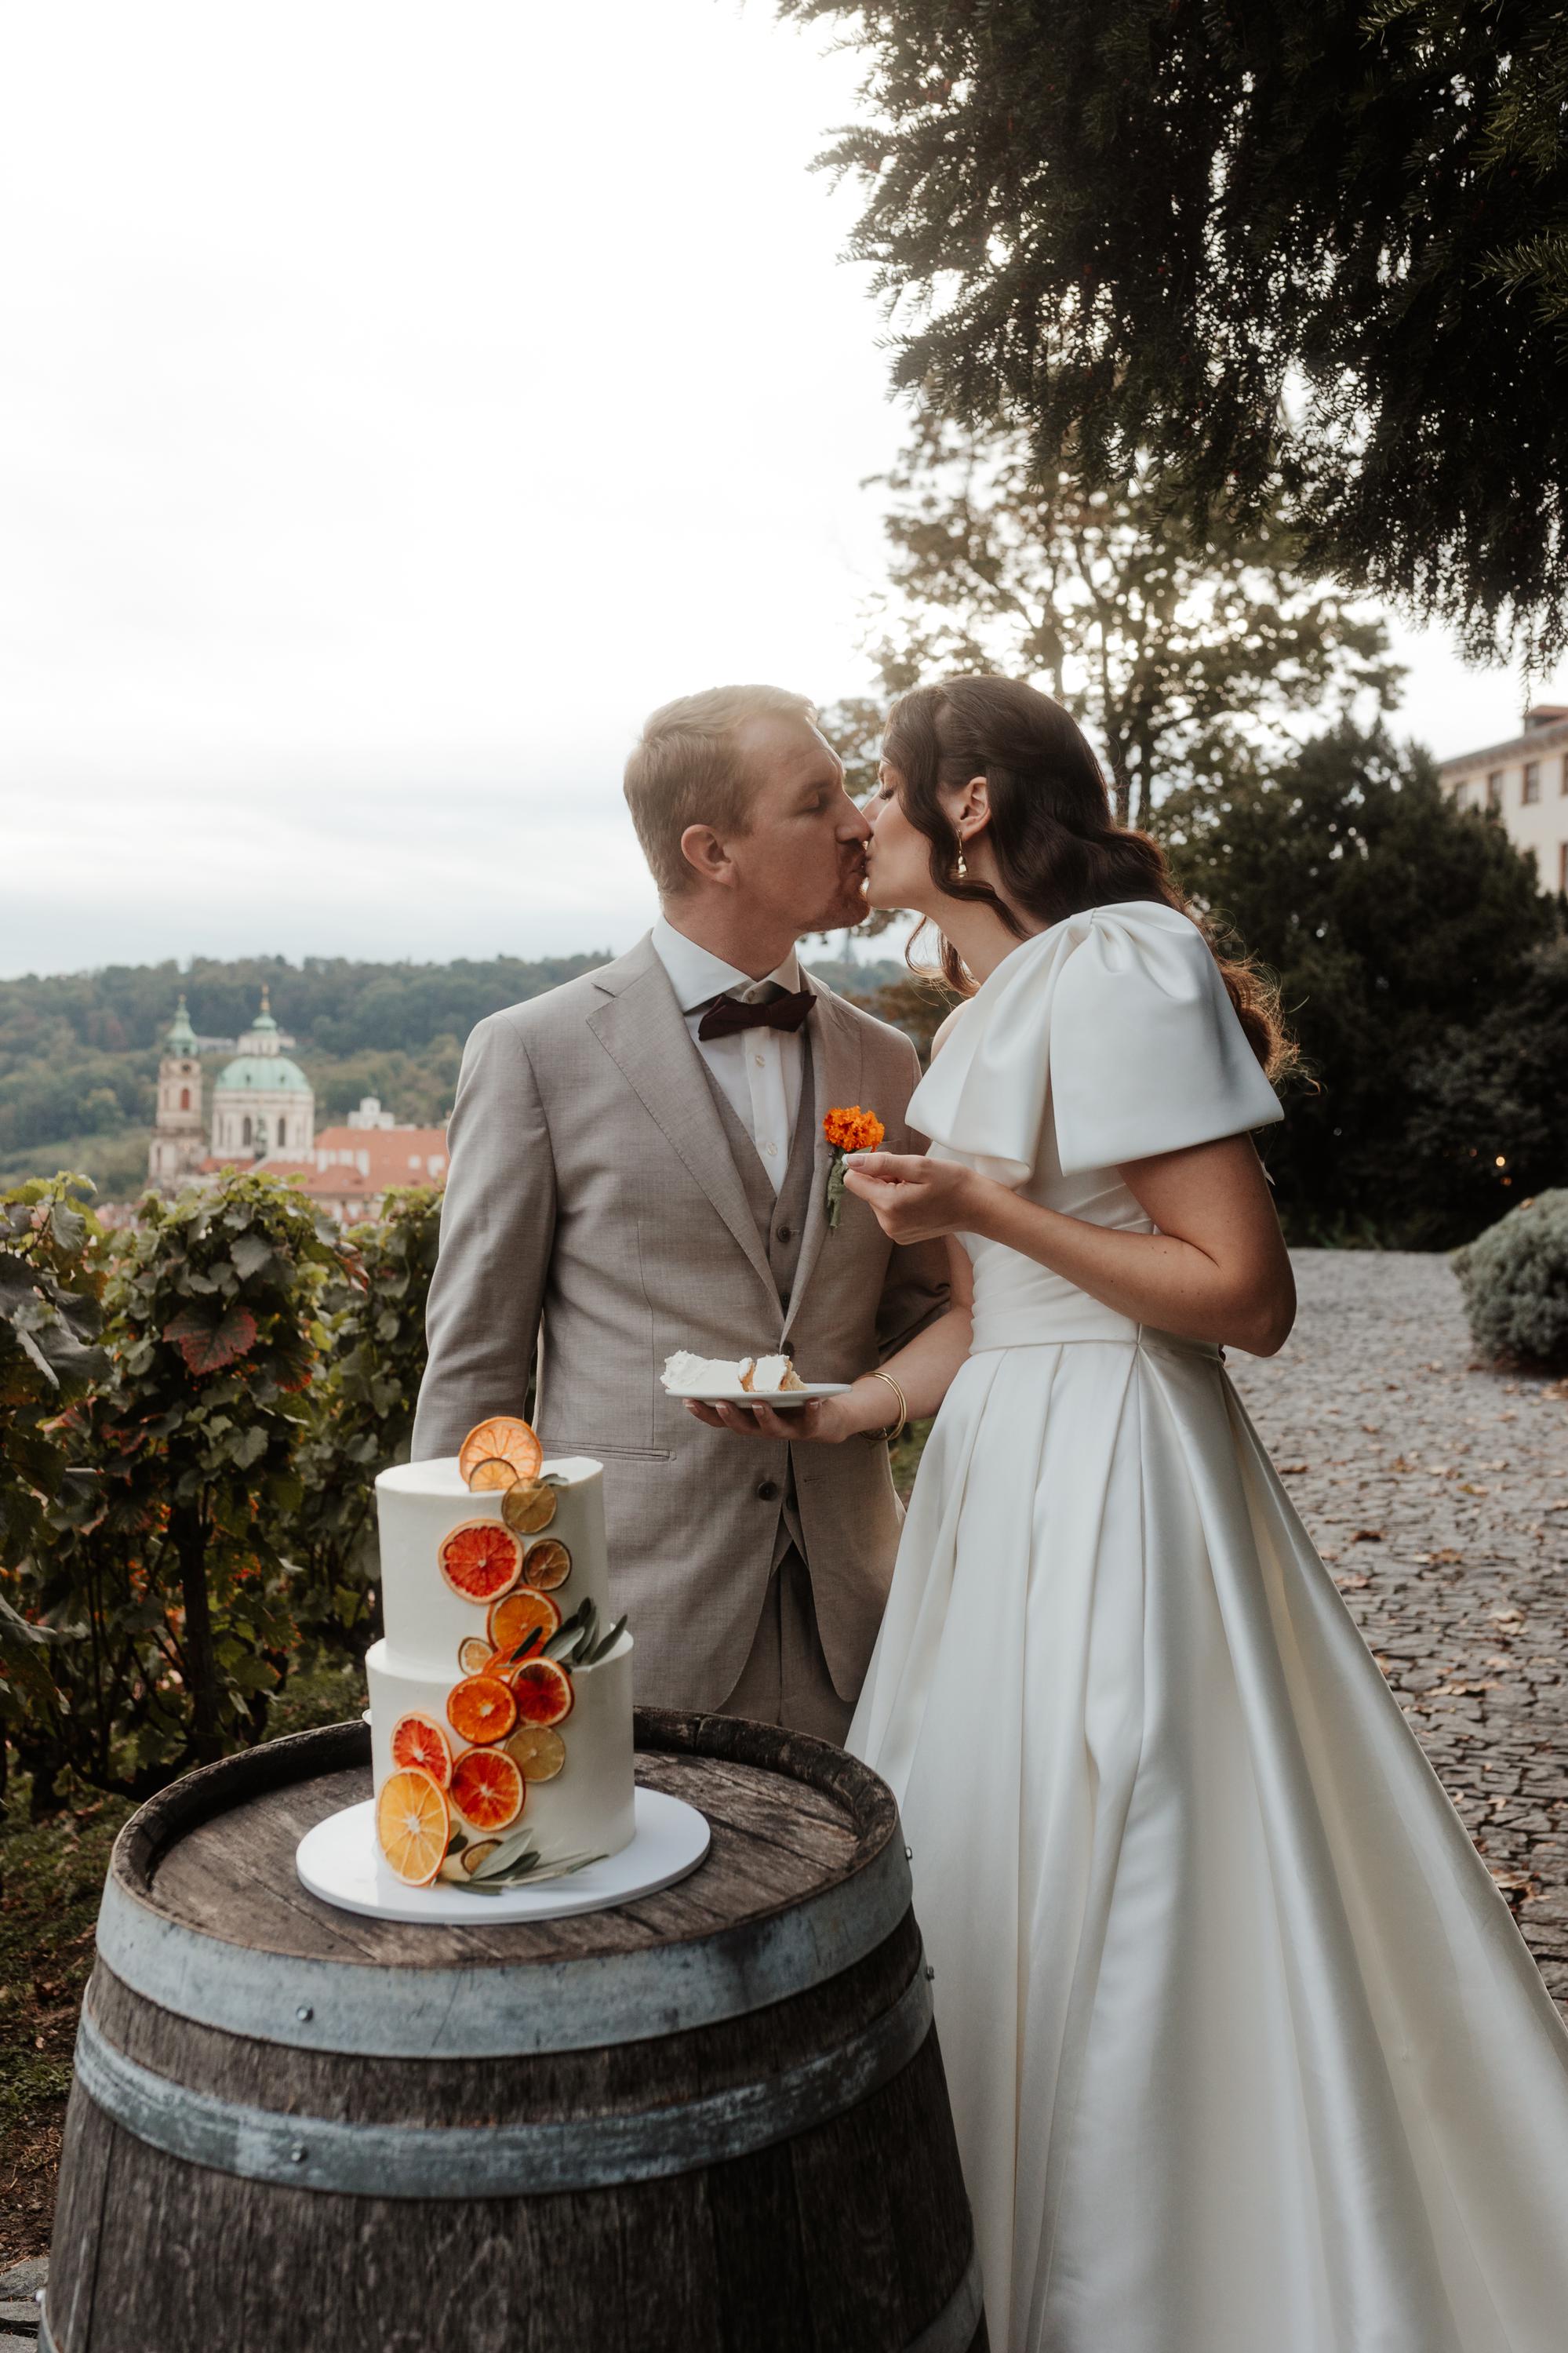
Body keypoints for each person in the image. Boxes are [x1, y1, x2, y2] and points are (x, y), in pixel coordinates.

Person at [697, 675, 1568, 2352]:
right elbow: (984, 1317)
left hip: (1119, 1475)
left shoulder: (1118, 963)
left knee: (1145, 1861)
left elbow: (1240, 1293)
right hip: (1001, 1479)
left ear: (964, 805)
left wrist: (986, 1204)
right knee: (988, 1867)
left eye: (876, 785)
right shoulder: (991, 1007)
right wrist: (858, 1405)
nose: (859, 818)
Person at [411, 683, 948, 1741]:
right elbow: (475, 1364)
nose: (857, 822)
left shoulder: (888, 1060)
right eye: (816, 800)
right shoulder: (535, 1053)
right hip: (630, 1624)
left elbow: (929, 1314)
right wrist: (459, 1628)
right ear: (713, 852)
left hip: (861, 1623)